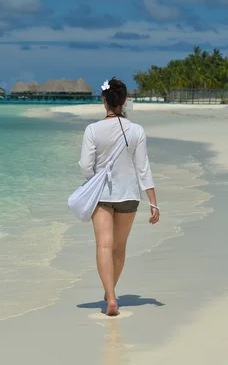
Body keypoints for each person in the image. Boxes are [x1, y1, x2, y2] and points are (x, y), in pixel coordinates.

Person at [78, 77, 159, 316]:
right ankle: (111, 290)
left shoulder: (92, 130)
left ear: (104, 100)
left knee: (104, 245)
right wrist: (153, 202)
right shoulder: (136, 131)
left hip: (101, 195)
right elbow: (143, 167)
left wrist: (95, 177)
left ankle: (111, 298)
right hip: (129, 196)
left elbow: (85, 166)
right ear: (124, 101)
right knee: (119, 247)